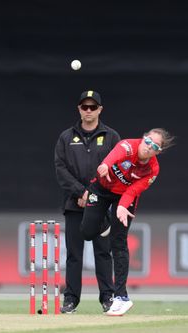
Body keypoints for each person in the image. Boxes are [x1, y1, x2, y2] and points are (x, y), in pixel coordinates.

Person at [80, 128, 175, 316]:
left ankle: (121, 297)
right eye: (148, 141)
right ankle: (105, 222)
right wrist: (105, 165)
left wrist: (123, 206)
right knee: (87, 232)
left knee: (119, 243)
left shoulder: (152, 169)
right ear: (143, 139)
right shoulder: (128, 146)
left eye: (154, 146)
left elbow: (133, 191)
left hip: (124, 198)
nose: (149, 147)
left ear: (158, 152)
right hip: (101, 188)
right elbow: (114, 155)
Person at [54, 90, 121, 314]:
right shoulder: (66, 137)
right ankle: (71, 299)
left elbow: (118, 169)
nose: (89, 111)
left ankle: (108, 298)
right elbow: (61, 170)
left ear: (100, 109)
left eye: (93, 107)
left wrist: (94, 196)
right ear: (79, 109)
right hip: (75, 205)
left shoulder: (111, 137)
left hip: (100, 206)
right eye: (85, 107)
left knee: (103, 252)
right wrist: (80, 194)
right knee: (74, 254)